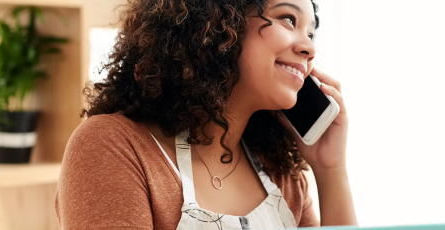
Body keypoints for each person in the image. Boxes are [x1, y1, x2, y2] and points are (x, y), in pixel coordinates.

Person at [55, 0, 357, 229]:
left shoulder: (282, 175)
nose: (309, 48)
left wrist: (330, 170)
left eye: (311, 33)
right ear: (221, 22)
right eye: (288, 19)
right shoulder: (113, 147)